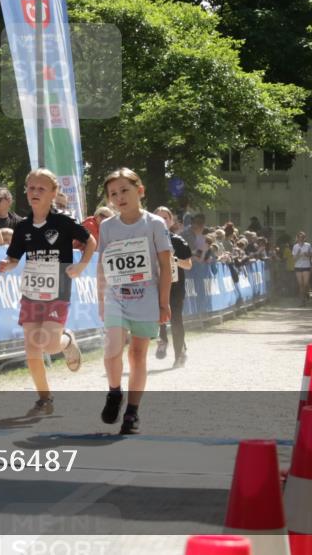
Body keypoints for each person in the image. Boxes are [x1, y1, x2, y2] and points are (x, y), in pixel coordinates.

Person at [0, 168, 95, 416]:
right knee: (31, 349)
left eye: (41, 188)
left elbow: (90, 241)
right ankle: (44, 398)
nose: (35, 192)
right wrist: (6, 265)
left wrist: (82, 264)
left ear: (53, 193)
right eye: (31, 188)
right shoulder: (22, 227)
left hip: (58, 289)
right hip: (32, 290)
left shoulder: (63, 221)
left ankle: (67, 340)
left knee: (50, 345)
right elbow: (14, 257)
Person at [97, 168, 172, 435]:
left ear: (139, 191)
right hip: (116, 297)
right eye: (113, 194)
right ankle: (114, 392)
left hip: (146, 298)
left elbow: (165, 265)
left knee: (137, 354)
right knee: (112, 347)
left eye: (124, 191)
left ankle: (132, 412)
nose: (119, 197)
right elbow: (101, 265)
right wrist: (101, 299)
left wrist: (164, 303)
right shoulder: (107, 227)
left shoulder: (154, 224)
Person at [153, 207, 193, 367]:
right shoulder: (147, 240)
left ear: (171, 222)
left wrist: (173, 260)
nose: (162, 221)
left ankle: (179, 354)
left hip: (175, 287)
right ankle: (162, 340)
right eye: (158, 218)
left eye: (165, 218)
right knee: (157, 317)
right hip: (154, 285)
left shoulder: (177, 241)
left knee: (176, 319)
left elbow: (188, 265)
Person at [291, 231, 312, 305]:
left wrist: (307, 254)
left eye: (303, 237)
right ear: (298, 238)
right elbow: (294, 259)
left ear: (305, 238)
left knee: (306, 284)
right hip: (298, 266)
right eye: (300, 237)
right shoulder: (295, 246)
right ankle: (302, 300)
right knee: (300, 284)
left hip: (306, 266)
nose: (301, 239)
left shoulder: (308, 245)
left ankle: (306, 293)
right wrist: (298, 254)